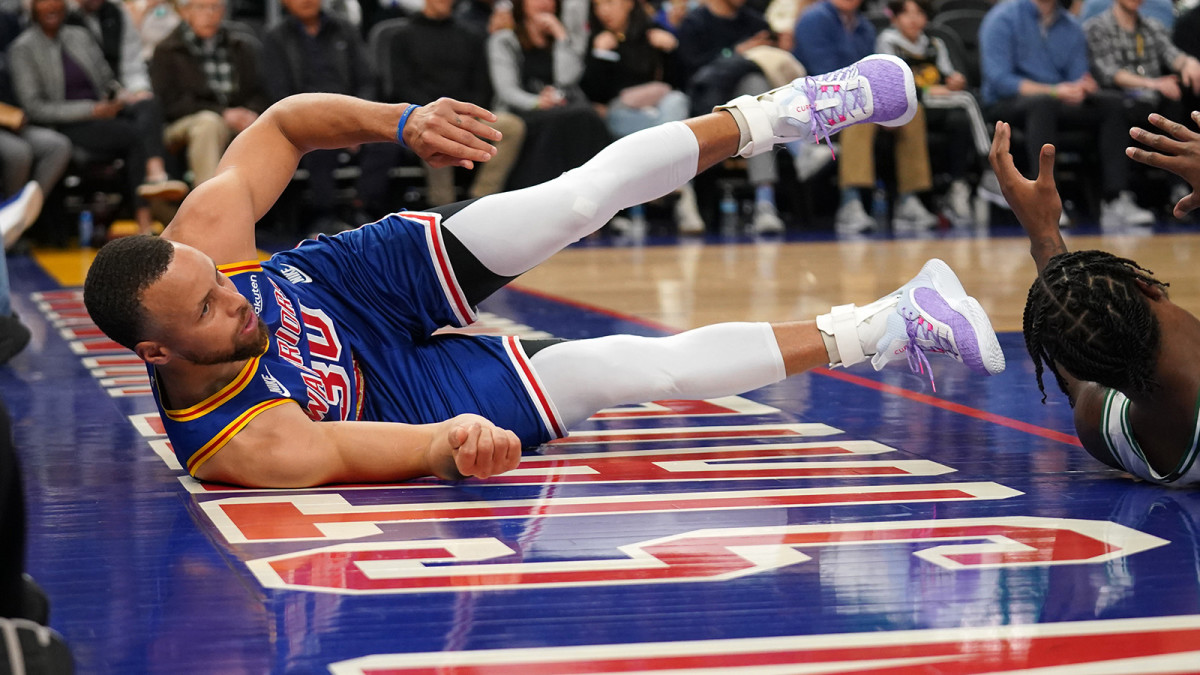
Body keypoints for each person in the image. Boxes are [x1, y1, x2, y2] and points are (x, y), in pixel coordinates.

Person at [81, 55, 1006, 489]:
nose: (237, 296)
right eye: (209, 308)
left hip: (348, 285)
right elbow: (397, 450)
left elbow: (281, 123)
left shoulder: (204, 241)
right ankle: (889, 322)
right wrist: (461, 445)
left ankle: (800, 107)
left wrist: (397, 119)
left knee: (572, 199)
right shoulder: (244, 446)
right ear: (158, 352)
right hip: (399, 397)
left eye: (222, 278)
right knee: (625, 371)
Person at [988, 110, 1200, 487]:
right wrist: (1042, 231)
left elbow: (1076, 363)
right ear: (1146, 284)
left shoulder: (1104, 429)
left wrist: (1044, 233)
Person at [9, 0, 187, 236]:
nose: (51, 6)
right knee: (134, 135)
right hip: (66, 122)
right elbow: (34, 108)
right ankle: (144, 221)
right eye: (43, 2)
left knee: (148, 105)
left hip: (103, 111)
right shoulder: (22, 48)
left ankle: (157, 175)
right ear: (33, 8)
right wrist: (91, 110)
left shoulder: (79, 36)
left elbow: (106, 78)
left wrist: (122, 97)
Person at [979, 0, 1155, 231]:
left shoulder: (1071, 25)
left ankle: (1115, 198)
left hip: (1057, 99)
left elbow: (1077, 74)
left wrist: (1082, 87)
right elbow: (999, 79)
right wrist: (1053, 90)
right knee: (1042, 104)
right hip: (1007, 102)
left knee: (1112, 102)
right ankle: (1047, 200)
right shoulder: (1002, 18)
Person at [794, 0, 939, 234]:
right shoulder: (814, 19)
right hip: (816, 103)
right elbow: (823, 73)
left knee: (911, 111)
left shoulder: (865, 27)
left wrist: (887, 111)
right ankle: (850, 203)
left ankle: (908, 200)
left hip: (857, 96)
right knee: (855, 109)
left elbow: (873, 73)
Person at [260, 0, 392, 231]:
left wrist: (361, 116)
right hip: (304, 114)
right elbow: (278, 91)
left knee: (387, 141)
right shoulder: (276, 37)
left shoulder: (344, 28)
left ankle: (359, 208)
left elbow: (367, 79)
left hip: (351, 110)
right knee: (318, 144)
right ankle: (326, 214)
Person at [385, 0, 527, 209]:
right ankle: (443, 207)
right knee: (434, 130)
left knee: (512, 127)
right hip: (424, 114)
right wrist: (432, 112)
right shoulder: (401, 36)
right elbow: (401, 86)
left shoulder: (470, 35)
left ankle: (479, 200)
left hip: (466, 113)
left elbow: (482, 83)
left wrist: (468, 112)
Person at [580, 0, 705, 234]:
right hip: (620, 113)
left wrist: (672, 51)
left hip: (658, 108)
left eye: (609, 2)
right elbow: (593, 94)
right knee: (668, 129)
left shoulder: (654, 34)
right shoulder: (597, 39)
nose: (603, 10)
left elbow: (682, 84)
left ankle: (671, 185)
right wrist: (599, 55)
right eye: (597, 5)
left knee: (676, 102)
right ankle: (678, 189)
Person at [876, 0, 1000, 225]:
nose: (913, 19)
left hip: (936, 104)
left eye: (919, 13)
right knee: (968, 100)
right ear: (894, 18)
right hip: (908, 103)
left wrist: (955, 80)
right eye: (905, 13)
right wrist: (939, 90)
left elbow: (948, 74)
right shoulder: (888, 42)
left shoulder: (934, 43)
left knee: (960, 118)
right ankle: (990, 167)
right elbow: (893, 84)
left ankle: (957, 185)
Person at [486, 0, 611, 191]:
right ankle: (540, 193)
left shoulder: (560, 38)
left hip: (561, 108)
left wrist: (561, 36)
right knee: (574, 117)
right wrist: (537, 102)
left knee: (586, 116)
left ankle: (591, 192)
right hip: (522, 111)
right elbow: (507, 90)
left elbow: (567, 79)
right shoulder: (503, 40)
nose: (544, 3)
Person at [148, 0, 268, 188]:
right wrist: (223, 113)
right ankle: (209, 202)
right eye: (201, 7)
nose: (209, 13)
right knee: (208, 123)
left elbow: (259, 91)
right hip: (183, 124)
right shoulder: (168, 50)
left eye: (215, 7)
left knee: (265, 125)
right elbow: (169, 105)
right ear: (184, 12)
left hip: (235, 119)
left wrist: (249, 113)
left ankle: (263, 209)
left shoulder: (240, 46)